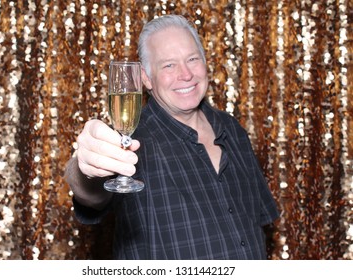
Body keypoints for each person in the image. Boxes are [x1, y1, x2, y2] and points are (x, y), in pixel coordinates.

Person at [65, 14, 280, 259]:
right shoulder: (130, 141)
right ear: (146, 78)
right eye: (169, 65)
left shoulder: (233, 130)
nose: (186, 74)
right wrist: (86, 169)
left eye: (192, 59)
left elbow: (258, 225)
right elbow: (90, 196)